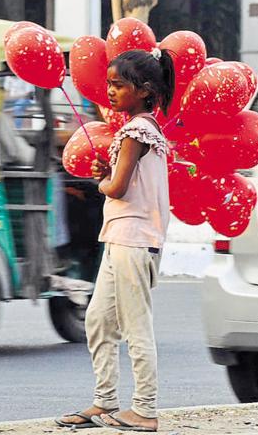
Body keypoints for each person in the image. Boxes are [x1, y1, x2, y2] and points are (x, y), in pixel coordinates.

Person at [55, 47, 175, 432]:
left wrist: (100, 180)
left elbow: (118, 187)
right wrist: (110, 172)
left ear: (143, 90)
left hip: (133, 238)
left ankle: (145, 408)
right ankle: (104, 400)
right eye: (108, 84)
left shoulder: (138, 129)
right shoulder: (142, 129)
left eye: (118, 85)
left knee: (135, 325)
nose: (109, 92)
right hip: (123, 236)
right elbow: (128, 178)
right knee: (98, 320)